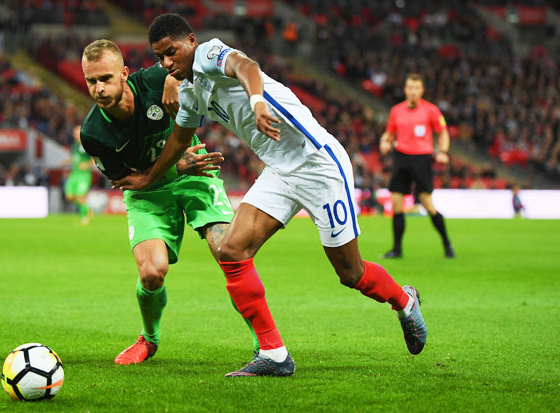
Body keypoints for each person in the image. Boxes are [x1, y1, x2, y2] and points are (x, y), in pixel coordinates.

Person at [113, 13, 428, 377]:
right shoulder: (189, 92)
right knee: (232, 250)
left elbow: (246, 65)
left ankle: (405, 302)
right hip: (279, 170)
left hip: (318, 163)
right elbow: (179, 141)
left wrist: (259, 102)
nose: (168, 63)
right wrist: (149, 178)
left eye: (172, 52)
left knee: (350, 273)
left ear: (191, 42)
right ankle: (274, 354)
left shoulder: (210, 53)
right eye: (160, 57)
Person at [78, 39, 259, 365]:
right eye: (91, 81)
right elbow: (129, 181)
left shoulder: (153, 80)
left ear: (124, 73)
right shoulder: (93, 133)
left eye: (105, 78)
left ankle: (266, 345)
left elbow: (183, 70)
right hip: (151, 192)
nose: (99, 89)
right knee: (152, 272)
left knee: (229, 255)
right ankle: (149, 339)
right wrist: (174, 165)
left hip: (196, 175)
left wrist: (178, 82)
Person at [379, 73, 454, 258]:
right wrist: (384, 142)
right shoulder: (396, 110)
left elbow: (443, 133)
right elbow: (389, 134)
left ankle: (447, 244)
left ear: (422, 90)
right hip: (401, 158)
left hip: (422, 159)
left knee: (428, 204)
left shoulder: (431, 110)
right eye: (410, 87)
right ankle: (397, 250)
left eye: (416, 88)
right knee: (396, 203)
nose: (413, 91)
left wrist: (443, 152)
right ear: (405, 89)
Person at [64, 125, 95, 225]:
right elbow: (75, 158)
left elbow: (94, 159)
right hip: (74, 174)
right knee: (69, 196)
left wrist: (87, 165)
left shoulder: (87, 145)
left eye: (77, 132)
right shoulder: (74, 145)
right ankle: (88, 209)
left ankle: (84, 217)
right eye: (74, 133)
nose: (75, 135)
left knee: (80, 196)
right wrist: (67, 162)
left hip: (84, 175)